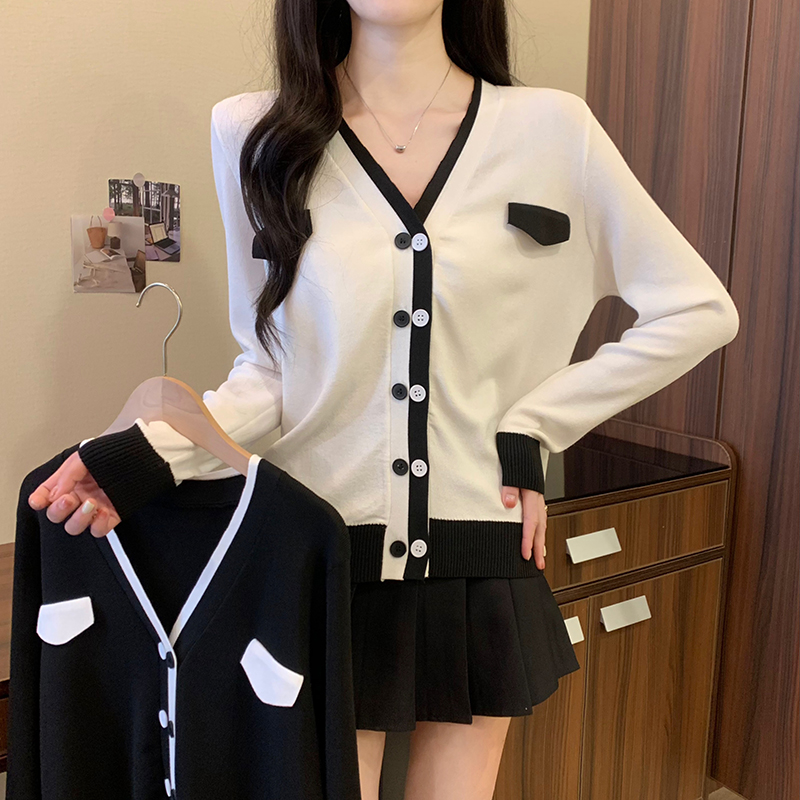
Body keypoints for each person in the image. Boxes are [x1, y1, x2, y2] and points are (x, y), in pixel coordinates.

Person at [27, 2, 740, 799]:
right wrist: (144, 454)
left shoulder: (553, 132)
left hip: (480, 551)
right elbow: (271, 373)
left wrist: (534, 427)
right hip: (324, 553)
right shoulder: (253, 133)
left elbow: (696, 310)